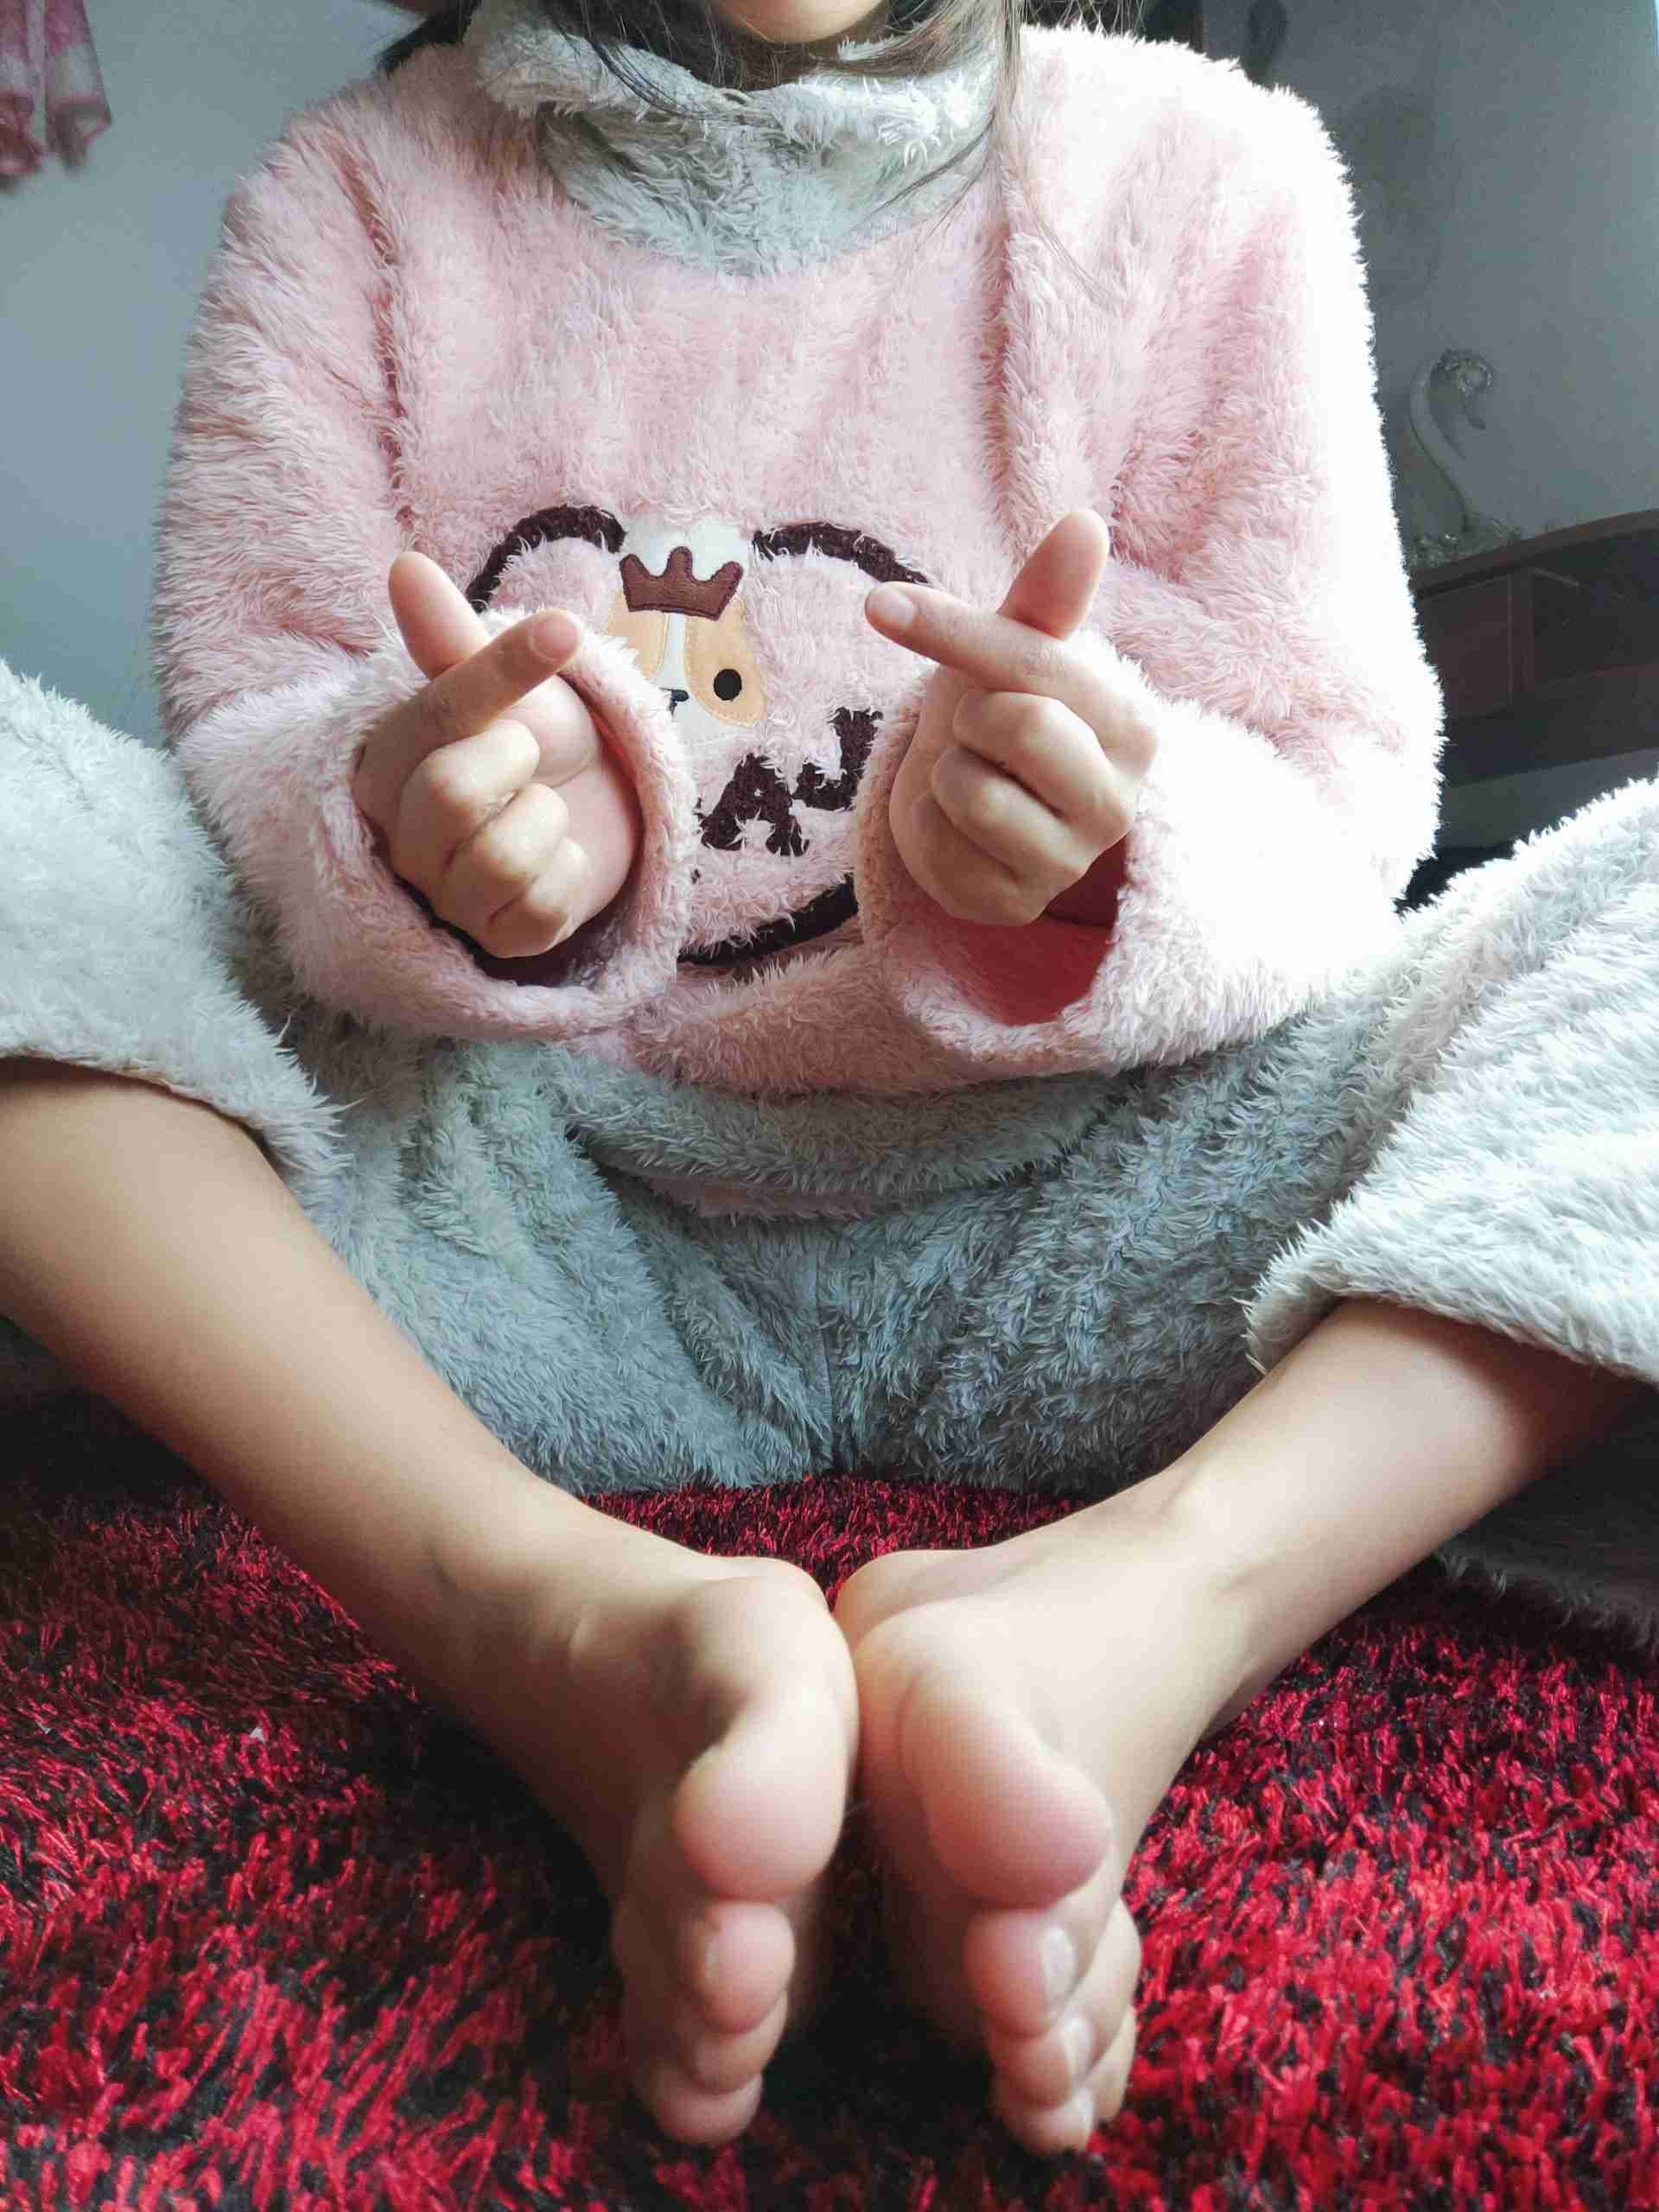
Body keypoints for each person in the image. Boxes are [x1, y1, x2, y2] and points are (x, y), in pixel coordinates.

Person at [1, 0, 1655, 2162]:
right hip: (523, 1217)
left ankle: (1162, 1594)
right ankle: (531, 1606)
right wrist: (421, 835)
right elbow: (255, 726)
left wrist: (1096, 867)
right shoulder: (355, 200)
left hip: (1114, 1223)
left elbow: (1344, 787)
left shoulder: (1208, 174)